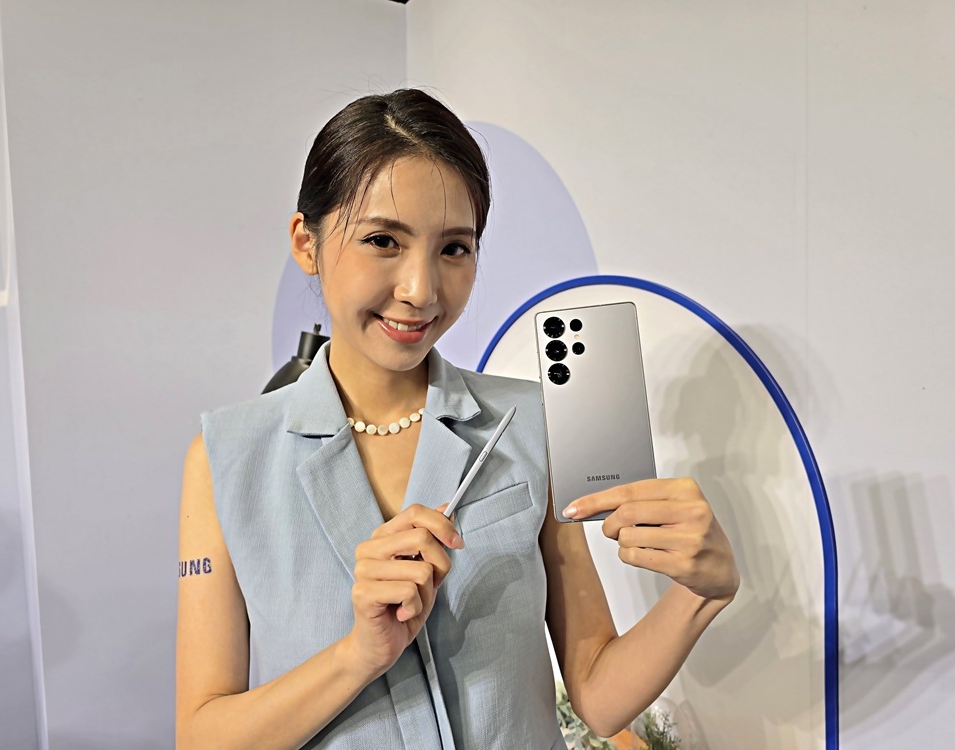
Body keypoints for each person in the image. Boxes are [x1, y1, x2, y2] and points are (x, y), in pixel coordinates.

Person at [175, 89, 739, 750]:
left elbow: (595, 692)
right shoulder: (227, 457)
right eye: (383, 240)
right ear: (307, 241)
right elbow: (202, 736)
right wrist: (359, 654)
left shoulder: (527, 424)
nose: (420, 290)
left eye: (454, 249)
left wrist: (702, 594)